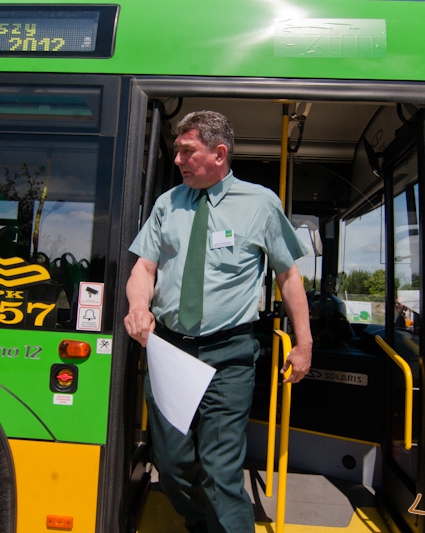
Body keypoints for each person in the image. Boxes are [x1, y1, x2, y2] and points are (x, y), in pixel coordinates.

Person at [124, 110, 312, 533]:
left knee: (221, 468)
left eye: (187, 151)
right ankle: (201, 523)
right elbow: (144, 269)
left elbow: (288, 275)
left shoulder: (260, 203)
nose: (178, 160)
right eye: (177, 151)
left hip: (228, 356)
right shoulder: (166, 204)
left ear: (219, 153)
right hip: (169, 349)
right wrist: (139, 307)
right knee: (170, 464)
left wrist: (304, 343)